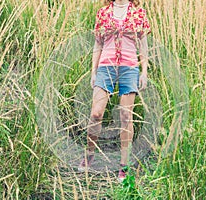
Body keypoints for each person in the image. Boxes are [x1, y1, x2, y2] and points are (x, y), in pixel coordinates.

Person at [78, 0, 151, 182]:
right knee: (96, 113)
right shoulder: (103, 13)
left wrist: (144, 72)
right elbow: (98, 45)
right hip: (106, 66)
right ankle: (89, 154)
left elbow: (143, 46)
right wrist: (93, 71)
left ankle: (123, 166)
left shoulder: (139, 13)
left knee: (126, 117)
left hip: (129, 68)